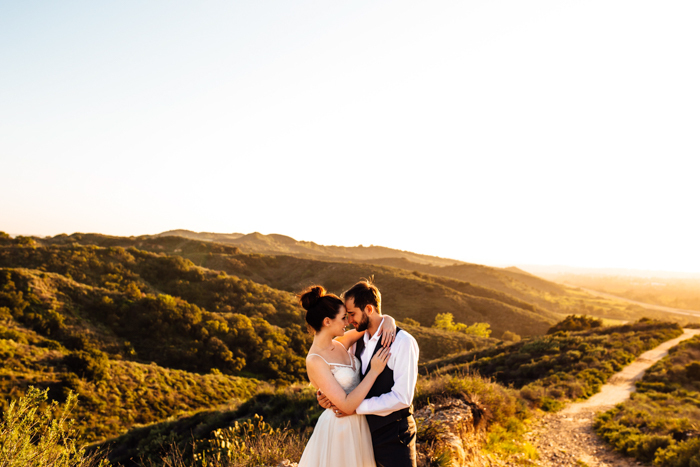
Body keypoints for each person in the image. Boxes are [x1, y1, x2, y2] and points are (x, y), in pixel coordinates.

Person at [317, 279, 420, 467]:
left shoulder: (403, 342)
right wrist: (327, 397)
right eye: (346, 316)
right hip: (360, 436)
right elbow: (347, 379)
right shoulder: (355, 341)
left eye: (352, 314)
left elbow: (403, 397)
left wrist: (355, 408)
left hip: (394, 437)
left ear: (369, 309)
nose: (349, 321)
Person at [297, 285, 398, 467]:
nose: (348, 322)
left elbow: (372, 323)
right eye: (344, 318)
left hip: (361, 426)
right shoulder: (315, 360)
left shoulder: (341, 342)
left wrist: (389, 320)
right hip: (339, 429)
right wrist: (374, 371)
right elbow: (346, 405)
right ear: (327, 321)